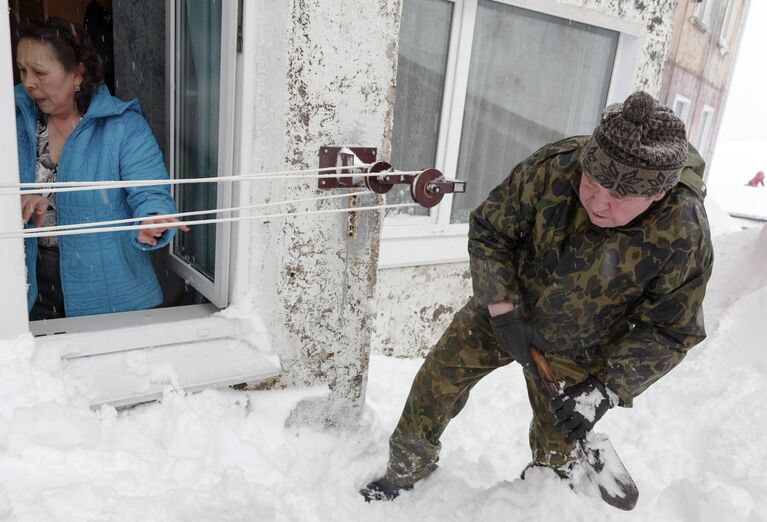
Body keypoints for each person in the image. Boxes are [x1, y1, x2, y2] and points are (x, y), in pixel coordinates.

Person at [360, 91, 713, 501]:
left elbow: (671, 329)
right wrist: (502, 309)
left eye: (618, 197)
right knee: (437, 381)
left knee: (557, 448)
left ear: (657, 195)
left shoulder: (683, 231)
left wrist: (604, 389)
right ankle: (404, 470)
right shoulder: (557, 166)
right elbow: (491, 230)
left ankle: (539, 501)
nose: (598, 202)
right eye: (593, 183)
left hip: (583, 346)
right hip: (505, 308)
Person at [15, 18, 188, 319]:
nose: (29, 83)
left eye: (40, 73)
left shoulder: (123, 127)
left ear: (77, 71)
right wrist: (11, 203)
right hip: (28, 290)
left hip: (112, 294)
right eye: (22, 70)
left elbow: (151, 193)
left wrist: (152, 220)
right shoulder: (11, 120)